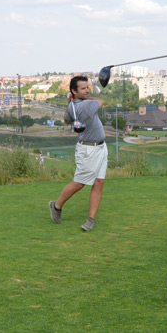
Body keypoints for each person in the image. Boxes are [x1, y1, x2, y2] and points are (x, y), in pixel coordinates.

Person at [48, 76, 106, 231]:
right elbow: (101, 101)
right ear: (74, 90)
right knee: (79, 183)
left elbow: (67, 119)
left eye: (87, 87)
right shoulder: (86, 106)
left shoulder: (73, 105)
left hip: (101, 147)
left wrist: (72, 100)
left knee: (99, 182)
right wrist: (81, 99)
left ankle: (91, 219)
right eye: (83, 88)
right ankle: (56, 206)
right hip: (88, 150)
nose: (87, 91)